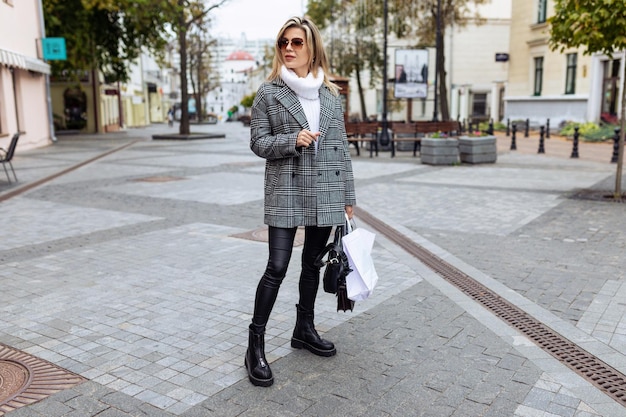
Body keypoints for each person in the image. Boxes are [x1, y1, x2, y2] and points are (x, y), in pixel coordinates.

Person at [247, 16, 356, 387]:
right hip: (286, 190)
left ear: (312, 49)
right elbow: (258, 143)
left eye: (296, 43)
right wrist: (292, 140)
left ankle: (304, 329)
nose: (289, 49)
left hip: (325, 189)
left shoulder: (330, 94)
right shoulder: (268, 92)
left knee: (311, 263)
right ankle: (255, 344)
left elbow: (342, 148)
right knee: (277, 266)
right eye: (283, 43)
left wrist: (349, 196)